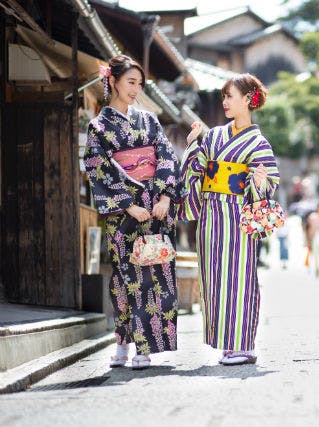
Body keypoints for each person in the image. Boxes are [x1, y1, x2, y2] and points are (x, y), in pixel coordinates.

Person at [84, 55, 183, 369]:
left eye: (139, 84)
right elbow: (97, 167)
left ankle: (144, 347)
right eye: (131, 82)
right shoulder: (98, 125)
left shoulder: (149, 120)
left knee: (155, 275)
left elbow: (166, 155)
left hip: (154, 209)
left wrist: (166, 197)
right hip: (123, 214)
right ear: (112, 81)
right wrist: (128, 204)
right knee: (126, 277)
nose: (136, 89)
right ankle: (124, 342)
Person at [180, 73, 279, 365]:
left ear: (248, 100)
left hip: (237, 220)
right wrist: (195, 144)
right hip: (210, 219)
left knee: (239, 279)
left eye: (229, 96)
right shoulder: (213, 136)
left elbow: (269, 182)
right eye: (223, 96)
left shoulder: (259, 143)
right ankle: (227, 343)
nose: (224, 102)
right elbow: (197, 171)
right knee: (214, 280)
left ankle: (243, 343)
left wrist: (259, 183)